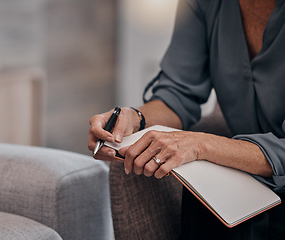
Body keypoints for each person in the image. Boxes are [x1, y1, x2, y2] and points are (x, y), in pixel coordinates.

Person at [88, 0, 285, 239]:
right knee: (205, 202)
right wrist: (134, 118)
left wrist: (203, 145)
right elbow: (178, 93)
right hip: (248, 185)